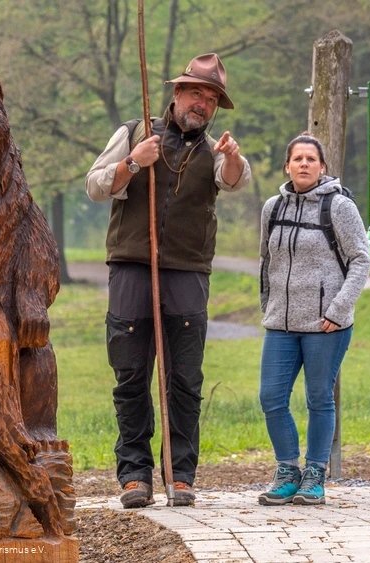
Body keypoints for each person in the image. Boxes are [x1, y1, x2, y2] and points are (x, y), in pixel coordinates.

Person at [85, 53, 251, 508]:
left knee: (184, 378)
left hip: (188, 272)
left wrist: (233, 159)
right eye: (196, 92)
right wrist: (135, 163)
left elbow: (234, 181)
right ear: (176, 93)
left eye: (212, 98)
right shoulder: (135, 133)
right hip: (132, 267)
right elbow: (96, 186)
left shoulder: (216, 150)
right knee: (131, 374)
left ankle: (180, 475)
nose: (202, 104)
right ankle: (135, 475)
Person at [256, 132, 370, 505]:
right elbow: (266, 261)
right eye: (297, 158)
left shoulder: (338, 206)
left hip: (326, 326)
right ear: (287, 165)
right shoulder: (272, 207)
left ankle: (315, 474)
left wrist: (338, 310)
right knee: (271, 397)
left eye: (311, 158)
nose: (304, 164)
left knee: (319, 398)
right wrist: (268, 305)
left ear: (322, 167)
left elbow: (360, 260)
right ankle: (288, 471)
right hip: (281, 325)